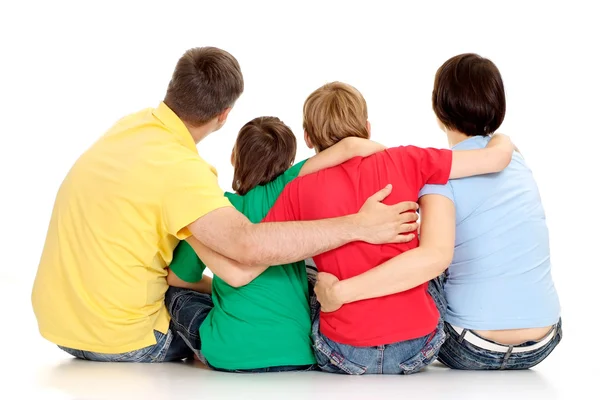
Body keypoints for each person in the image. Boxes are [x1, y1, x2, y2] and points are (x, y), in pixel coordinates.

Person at [30, 47, 419, 363]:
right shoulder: (186, 173)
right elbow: (245, 251)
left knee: (183, 283)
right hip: (125, 340)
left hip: (58, 327)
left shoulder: (128, 127)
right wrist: (358, 225)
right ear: (224, 115)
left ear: (173, 87)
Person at [315, 54, 562, 371]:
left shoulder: (439, 177)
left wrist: (340, 291)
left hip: (472, 345)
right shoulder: (515, 158)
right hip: (544, 340)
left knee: (411, 253)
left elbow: (433, 258)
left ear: (438, 110)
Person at [254, 81, 515, 374]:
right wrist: (503, 137)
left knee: (310, 273)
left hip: (344, 351)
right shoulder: (407, 159)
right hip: (417, 346)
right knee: (431, 255)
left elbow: (259, 250)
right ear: (367, 128)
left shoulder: (296, 189)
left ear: (307, 137)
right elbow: (495, 159)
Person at [165, 116, 388, 372]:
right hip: (298, 352)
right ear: (289, 163)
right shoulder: (291, 187)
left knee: (176, 295)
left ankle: (199, 345)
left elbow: (178, 280)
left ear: (233, 157)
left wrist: (218, 285)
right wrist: (388, 156)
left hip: (231, 354)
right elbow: (350, 147)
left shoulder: (216, 209)